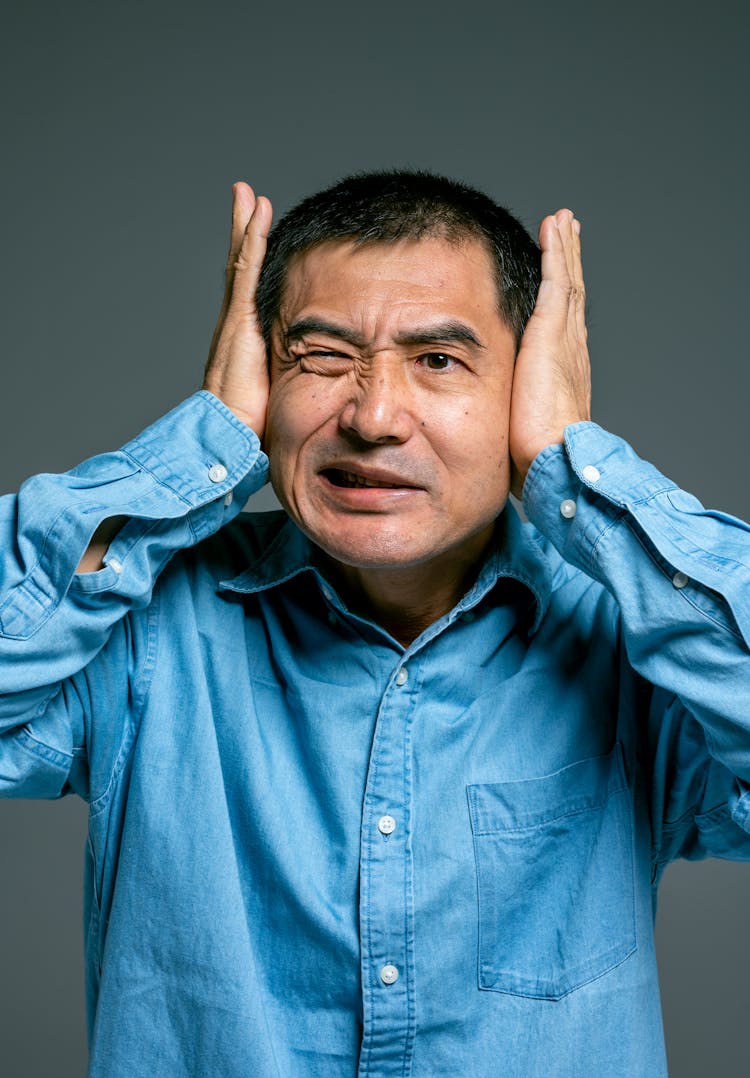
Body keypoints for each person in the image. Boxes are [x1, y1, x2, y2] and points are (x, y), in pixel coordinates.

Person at [1, 169, 749, 1077]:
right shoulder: (143, 622)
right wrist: (201, 444)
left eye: (438, 360)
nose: (374, 416)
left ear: (526, 383)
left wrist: (574, 470)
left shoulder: (632, 636)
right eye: (318, 356)